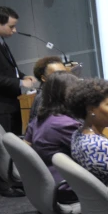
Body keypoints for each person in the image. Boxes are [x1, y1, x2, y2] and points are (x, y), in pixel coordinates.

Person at [0, 6, 36, 196]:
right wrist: (19, 82)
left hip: (10, 102)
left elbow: (9, 70)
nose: (14, 31)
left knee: (13, 144)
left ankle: (13, 179)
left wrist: (25, 77)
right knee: (3, 147)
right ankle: (4, 185)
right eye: (11, 26)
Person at [24, 71, 81, 203]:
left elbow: (26, 143)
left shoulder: (41, 118)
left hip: (45, 182)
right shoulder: (65, 124)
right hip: (68, 187)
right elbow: (94, 155)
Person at [29, 56, 66, 121]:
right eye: (58, 74)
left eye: (65, 73)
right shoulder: (44, 100)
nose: (64, 77)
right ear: (43, 78)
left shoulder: (54, 93)